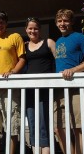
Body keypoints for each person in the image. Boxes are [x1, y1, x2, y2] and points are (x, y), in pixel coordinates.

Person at [53, 9, 84, 154]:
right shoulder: (58, 41)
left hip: (75, 87)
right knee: (58, 128)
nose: (62, 23)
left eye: (65, 20)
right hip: (59, 89)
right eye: (59, 21)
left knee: (77, 127)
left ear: (71, 22)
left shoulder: (79, 37)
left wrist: (74, 70)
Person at [0, 10, 26, 154]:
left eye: (1, 22)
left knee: (12, 124)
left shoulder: (14, 37)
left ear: (6, 23)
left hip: (10, 87)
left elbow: (22, 59)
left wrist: (13, 72)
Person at [24, 17, 56, 154]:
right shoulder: (24, 46)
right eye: (30, 28)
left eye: (35, 28)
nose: (33, 31)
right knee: (32, 122)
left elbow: (59, 61)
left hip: (45, 90)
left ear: (40, 29)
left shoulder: (48, 42)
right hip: (29, 91)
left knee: (44, 123)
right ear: (26, 30)